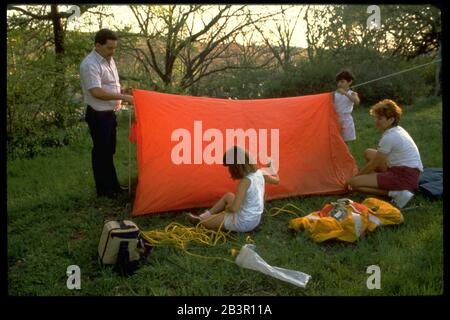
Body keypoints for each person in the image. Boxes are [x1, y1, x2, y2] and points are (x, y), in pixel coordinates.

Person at [80, 29, 134, 199]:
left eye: (114, 48)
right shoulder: (90, 64)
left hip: (109, 113)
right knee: (101, 152)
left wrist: (125, 91)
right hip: (98, 114)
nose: (113, 51)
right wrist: (123, 96)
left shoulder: (109, 59)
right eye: (109, 48)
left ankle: (113, 187)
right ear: (98, 45)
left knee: (109, 151)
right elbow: (97, 92)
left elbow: (110, 86)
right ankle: (104, 191)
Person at [347, 99, 423, 208]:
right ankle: (380, 181)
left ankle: (395, 193)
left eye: (380, 118)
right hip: (406, 172)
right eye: (376, 118)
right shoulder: (397, 130)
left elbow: (374, 164)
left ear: (391, 119)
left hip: (404, 177)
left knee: (353, 183)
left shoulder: (390, 137)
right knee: (368, 152)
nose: (376, 121)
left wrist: (356, 176)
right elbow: (377, 159)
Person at [188, 146, 280, 232]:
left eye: (230, 167)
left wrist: (227, 208)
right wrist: (272, 168)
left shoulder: (244, 182)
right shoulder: (261, 173)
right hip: (255, 219)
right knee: (228, 196)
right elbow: (277, 180)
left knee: (205, 223)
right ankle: (204, 215)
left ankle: (202, 220)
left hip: (243, 222)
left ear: (236, 168)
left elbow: (234, 209)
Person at [333, 70, 360, 142]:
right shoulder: (335, 94)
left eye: (342, 81)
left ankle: (345, 153)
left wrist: (345, 93)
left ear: (350, 82)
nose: (339, 84)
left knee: (345, 140)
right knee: (336, 139)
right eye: (338, 82)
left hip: (346, 119)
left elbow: (357, 101)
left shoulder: (352, 93)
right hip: (335, 118)